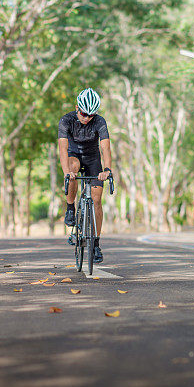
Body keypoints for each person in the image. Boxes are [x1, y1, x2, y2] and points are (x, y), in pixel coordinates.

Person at [57, 87, 113, 263]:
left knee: (97, 199)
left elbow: (105, 147)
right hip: (73, 155)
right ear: (76, 108)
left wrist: (107, 170)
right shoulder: (66, 120)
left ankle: (96, 245)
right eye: (83, 113)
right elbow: (63, 148)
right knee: (73, 167)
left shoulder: (99, 121)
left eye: (91, 115)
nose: (87, 118)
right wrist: (67, 173)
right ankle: (71, 208)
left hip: (92, 157)